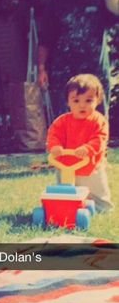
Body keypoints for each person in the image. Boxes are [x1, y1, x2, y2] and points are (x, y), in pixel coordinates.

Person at [38, 0, 119, 117]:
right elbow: (45, 39)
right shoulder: (56, 4)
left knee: (97, 131)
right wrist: (41, 68)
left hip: (95, 79)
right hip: (64, 81)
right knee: (66, 133)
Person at [47, 74, 112, 213]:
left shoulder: (98, 121)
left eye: (88, 100)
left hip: (90, 166)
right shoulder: (62, 121)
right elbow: (54, 135)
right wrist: (55, 147)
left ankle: (103, 209)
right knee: (66, 191)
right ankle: (67, 208)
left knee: (96, 191)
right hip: (65, 165)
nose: (82, 105)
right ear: (68, 102)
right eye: (76, 101)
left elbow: (100, 138)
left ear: (98, 100)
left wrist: (88, 148)